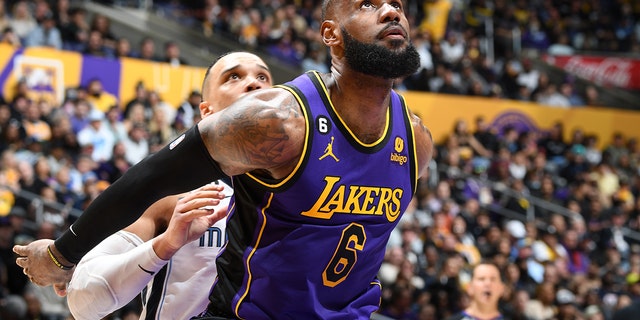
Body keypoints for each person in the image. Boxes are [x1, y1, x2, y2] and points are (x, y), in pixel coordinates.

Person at [15, 1, 434, 318]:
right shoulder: (269, 127)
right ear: (210, 114)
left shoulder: (414, 139)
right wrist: (68, 254)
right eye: (367, 3)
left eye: (397, 3)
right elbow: (89, 295)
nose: (390, 11)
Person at [66, 52, 274, 320]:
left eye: (262, 77)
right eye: (234, 76)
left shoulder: (306, 195)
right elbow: (83, 302)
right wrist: (165, 245)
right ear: (207, 111)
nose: (253, 83)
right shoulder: (174, 190)